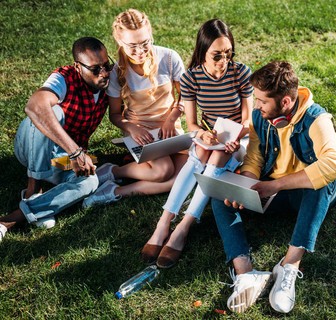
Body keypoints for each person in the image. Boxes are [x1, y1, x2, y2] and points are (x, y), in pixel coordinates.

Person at [211, 61, 336, 313]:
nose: (256, 106)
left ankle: (289, 266)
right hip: (275, 191)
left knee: (322, 186)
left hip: (308, 194)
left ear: (286, 103)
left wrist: (275, 185)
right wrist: (244, 186)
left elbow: (335, 166)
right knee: (220, 195)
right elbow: (255, 157)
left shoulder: (317, 119)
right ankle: (246, 273)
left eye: (262, 101)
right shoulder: (260, 116)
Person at [140, 19, 254, 266]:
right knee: (199, 154)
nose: (223, 61)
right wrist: (202, 134)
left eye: (228, 54)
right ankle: (163, 223)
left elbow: (248, 120)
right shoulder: (192, 79)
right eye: (217, 56)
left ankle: (183, 226)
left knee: (214, 158)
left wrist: (232, 137)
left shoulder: (241, 73)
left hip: (239, 139)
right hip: (211, 136)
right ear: (203, 52)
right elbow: (192, 124)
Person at [0, 37, 112, 243]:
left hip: (61, 159)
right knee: (51, 111)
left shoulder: (109, 84)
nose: (104, 73)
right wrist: (76, 152)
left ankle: (11, 219)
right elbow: (34, 107)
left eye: (107, 65)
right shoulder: (64, 77)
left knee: (91, 180)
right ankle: (34, 188)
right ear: (79, 67)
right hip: (31, 146)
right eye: (96, 69)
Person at [82, 9, 189, 208]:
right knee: (162, 171)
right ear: (119, 42)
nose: (140, 51)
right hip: (140, 132)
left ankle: (115, 189)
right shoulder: (115, 73)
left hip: (169, 130)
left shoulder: (169, 58)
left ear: (151, 35)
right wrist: (132, 128)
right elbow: (114, 115)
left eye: (145, 43)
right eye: (132, 46)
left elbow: (185, 95)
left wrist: (172, 118)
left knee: (180, 179)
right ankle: (115, 172)